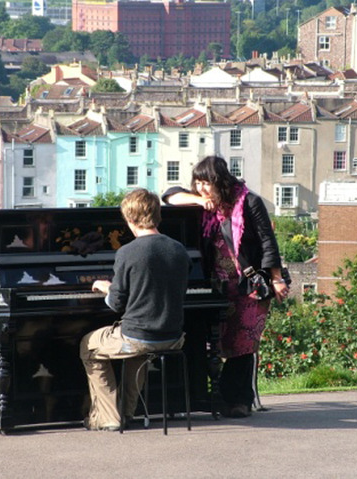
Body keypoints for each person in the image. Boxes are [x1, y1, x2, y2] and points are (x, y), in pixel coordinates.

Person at [162, 156, 287, 418]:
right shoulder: (203, 205)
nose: (201, 188)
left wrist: (276, 278)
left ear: (221, 181)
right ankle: (215, 397)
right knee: (216, 343)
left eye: (206, 183)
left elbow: (267, 242)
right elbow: (169, 195)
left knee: (243, 343)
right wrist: (198, 199)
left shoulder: (250, 202)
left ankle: (239, 400)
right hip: (216, 285)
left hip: (248, 285)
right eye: (197, 183)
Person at [80, 188, 192, 431]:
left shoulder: (128, 252)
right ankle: (127, 413)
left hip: (139, 337)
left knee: (88, 345)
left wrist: (107, 288)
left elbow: (117, 304)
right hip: (173, 337)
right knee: (136, 351)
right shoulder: (179, 250)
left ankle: (108, 417)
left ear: (129, 219)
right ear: (156, 214)